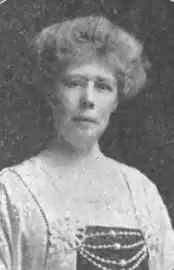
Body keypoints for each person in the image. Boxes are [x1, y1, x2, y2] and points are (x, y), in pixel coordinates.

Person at [0, 15, 173, 270]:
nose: (88, 99)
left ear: (116, 100)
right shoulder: (12, 191)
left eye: (103, 87)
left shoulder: (142, 191)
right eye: (74, 83)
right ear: (51, 92)